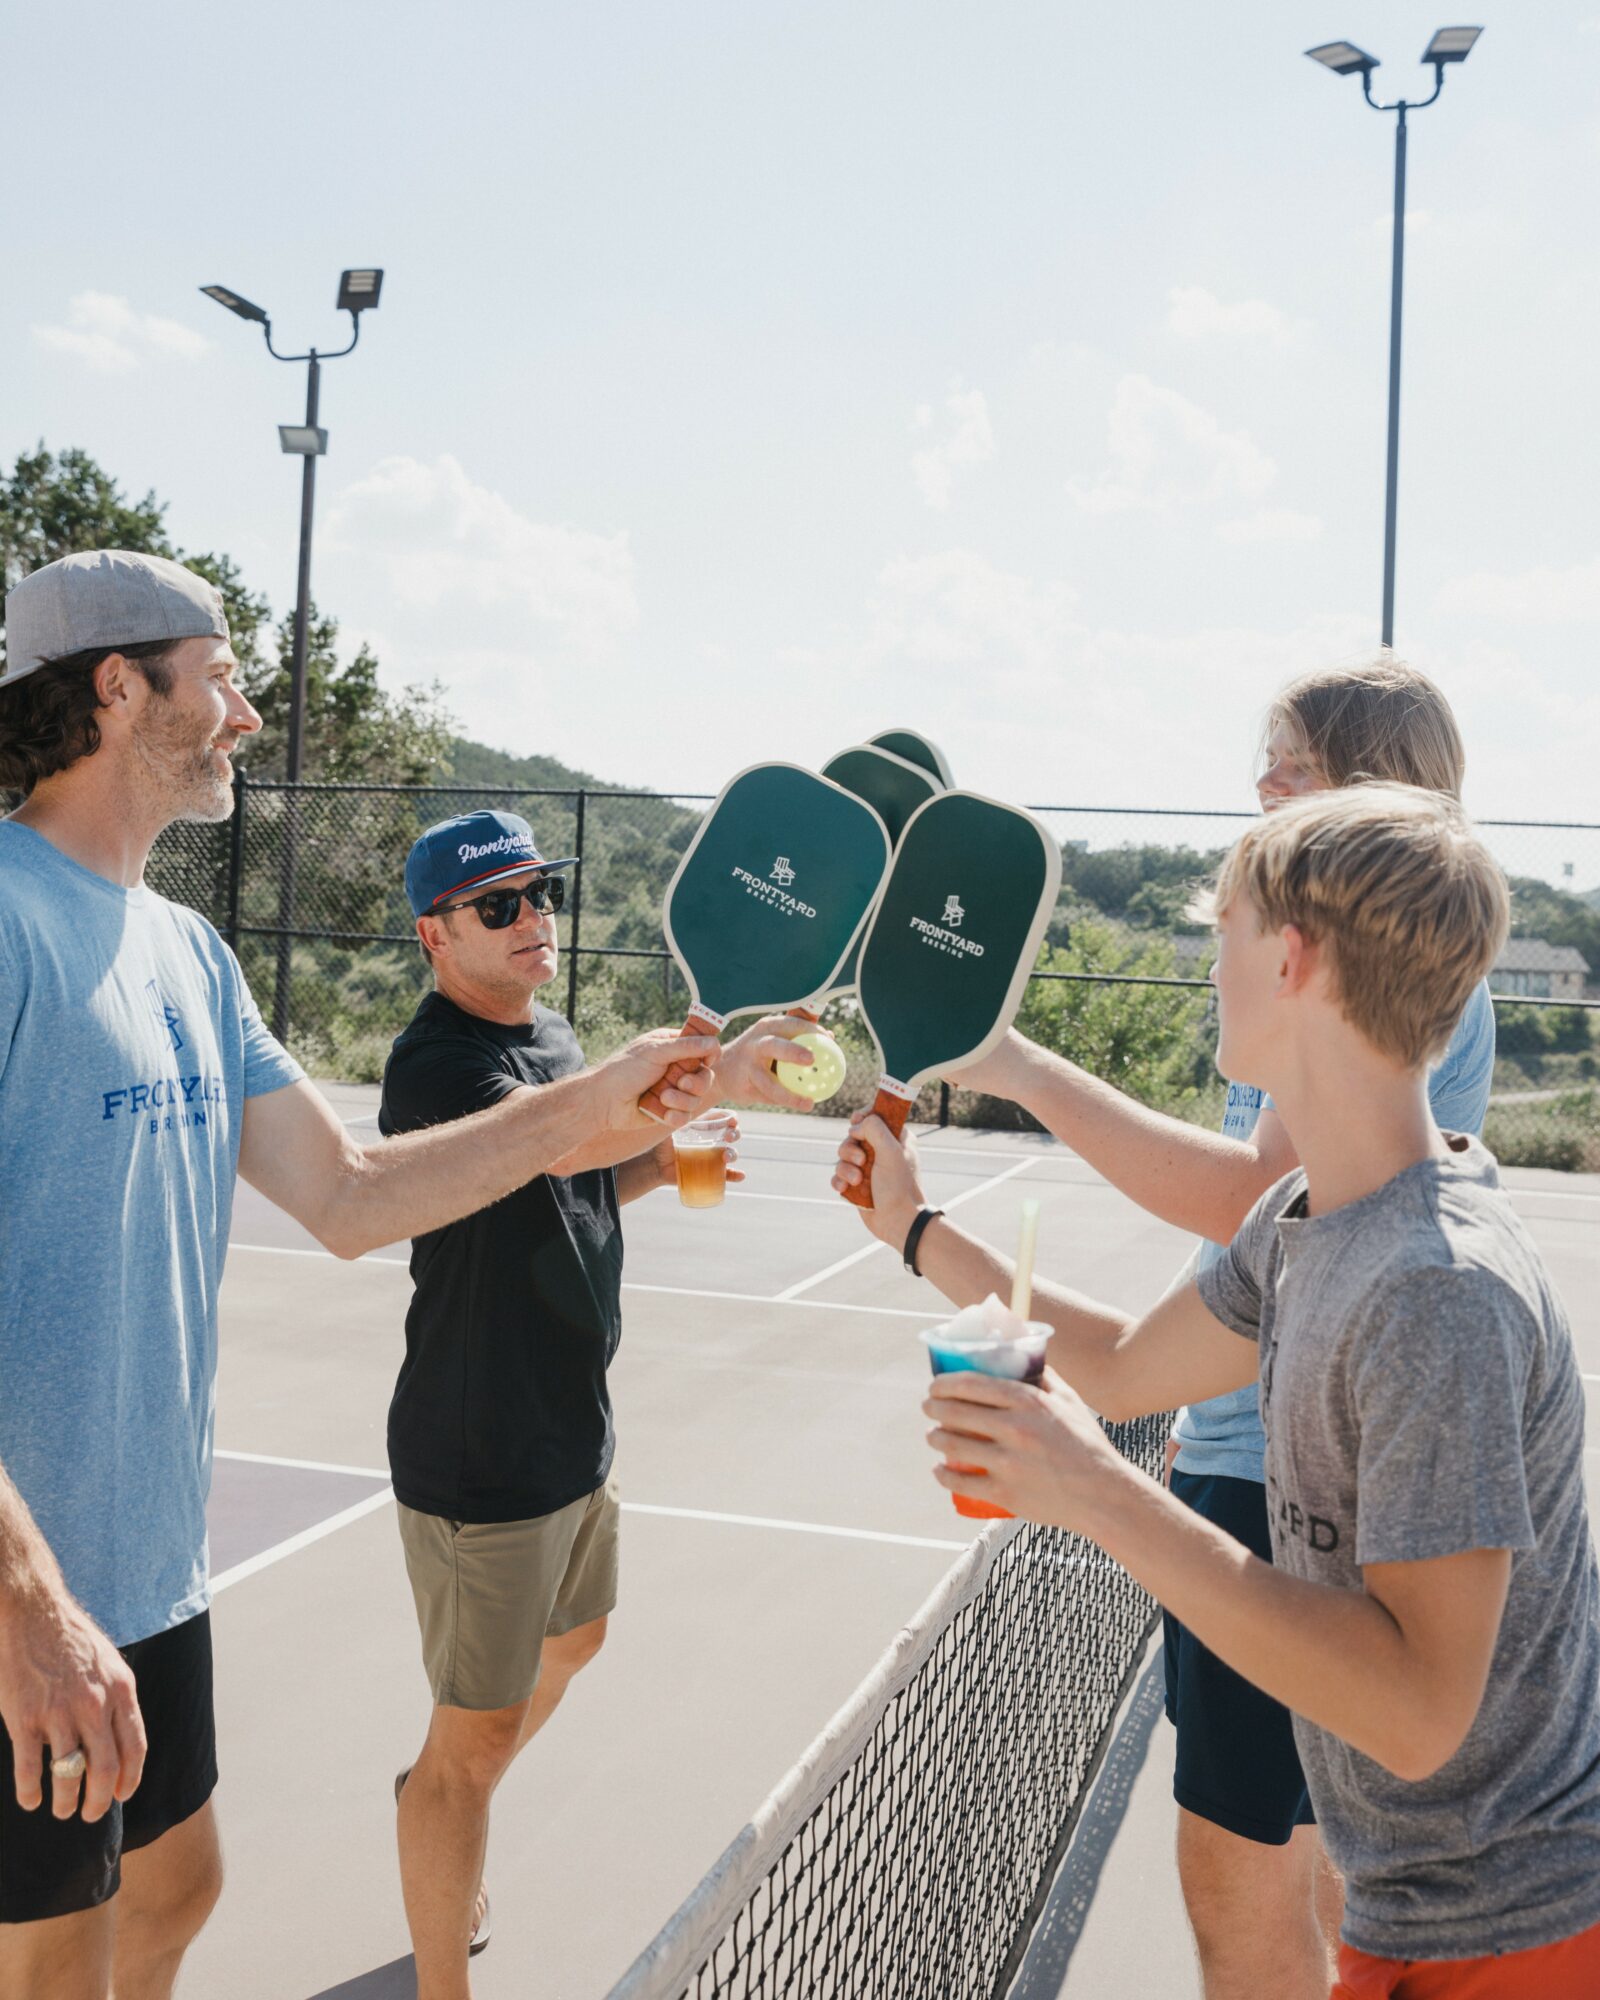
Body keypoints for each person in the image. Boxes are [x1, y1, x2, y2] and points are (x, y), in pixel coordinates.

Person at [0, 551, 721, 2000]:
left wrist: (620, 1097)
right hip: (31, 1588)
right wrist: (28, 1605)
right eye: (221, 677)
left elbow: (354, 1194)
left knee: (178, 1891)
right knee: (54, 1955)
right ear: (117, 687)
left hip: (149, 1564)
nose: (248, 714)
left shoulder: (189, 953)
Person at [860, 787, 1600, 1996]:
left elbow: (1418, 1710)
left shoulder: (1434, 1292)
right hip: (1422, 1913)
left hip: (1520, 1937)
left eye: (1221, 931)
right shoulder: (1308, 1214)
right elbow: (1121, 1367)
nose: (1208, 963)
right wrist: (914, 1227)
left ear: (1291, 960)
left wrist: (1092, 1486)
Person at [379, 810, 815, 1997]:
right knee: (470, 1744)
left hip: (573, 1420)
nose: (533, 920)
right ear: (435, 933)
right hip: (481, 1445)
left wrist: (662, 1158)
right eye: (497, 905)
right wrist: (689, 1083)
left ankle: (439, 1794)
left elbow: (582, 1174)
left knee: (577, 1641)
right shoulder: (437, 1067)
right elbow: (548, 1152)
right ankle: (440, 1913)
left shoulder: (554, 1035)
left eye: (540, 893)